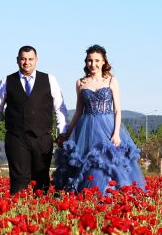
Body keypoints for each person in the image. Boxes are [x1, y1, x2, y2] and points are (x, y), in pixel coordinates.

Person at [53, 45, 146, 195]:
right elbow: (78, 111)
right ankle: (88, 196)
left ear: (104, 61)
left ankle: (108, 195)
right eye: (90, 60)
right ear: (86, 62)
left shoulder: (111, 81)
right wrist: (67, 134)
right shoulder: (81, 83)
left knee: (108, 162)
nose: (93, 64)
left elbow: (117, 110)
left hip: (108, 127)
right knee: (88, 164)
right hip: (86, 128)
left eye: (97, 60)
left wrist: (116, 133)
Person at [0, 46, 68, 195]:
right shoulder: (7, 81)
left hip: (42, 138)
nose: (26, 62)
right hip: (16, 138)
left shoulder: (49, 79)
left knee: (41, 180)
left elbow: (60, 109)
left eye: (30, 59)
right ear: (17, 60)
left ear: (37, 60)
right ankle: (17, 211)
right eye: (23, 59)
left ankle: (40, 213)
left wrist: (63, 133)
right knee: (18, 179)